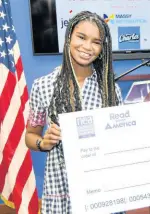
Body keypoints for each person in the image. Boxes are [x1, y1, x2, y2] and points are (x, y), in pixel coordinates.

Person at [25, 11, 124, 213]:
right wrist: (43, 143)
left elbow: (121, 143)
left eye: (96, 42)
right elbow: (30, 135)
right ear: (69, 36)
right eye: (81, 37)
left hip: (101, 194)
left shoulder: (110, 89)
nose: (87, 47)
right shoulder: (43, 85)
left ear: (102, 48)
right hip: (59, 191)